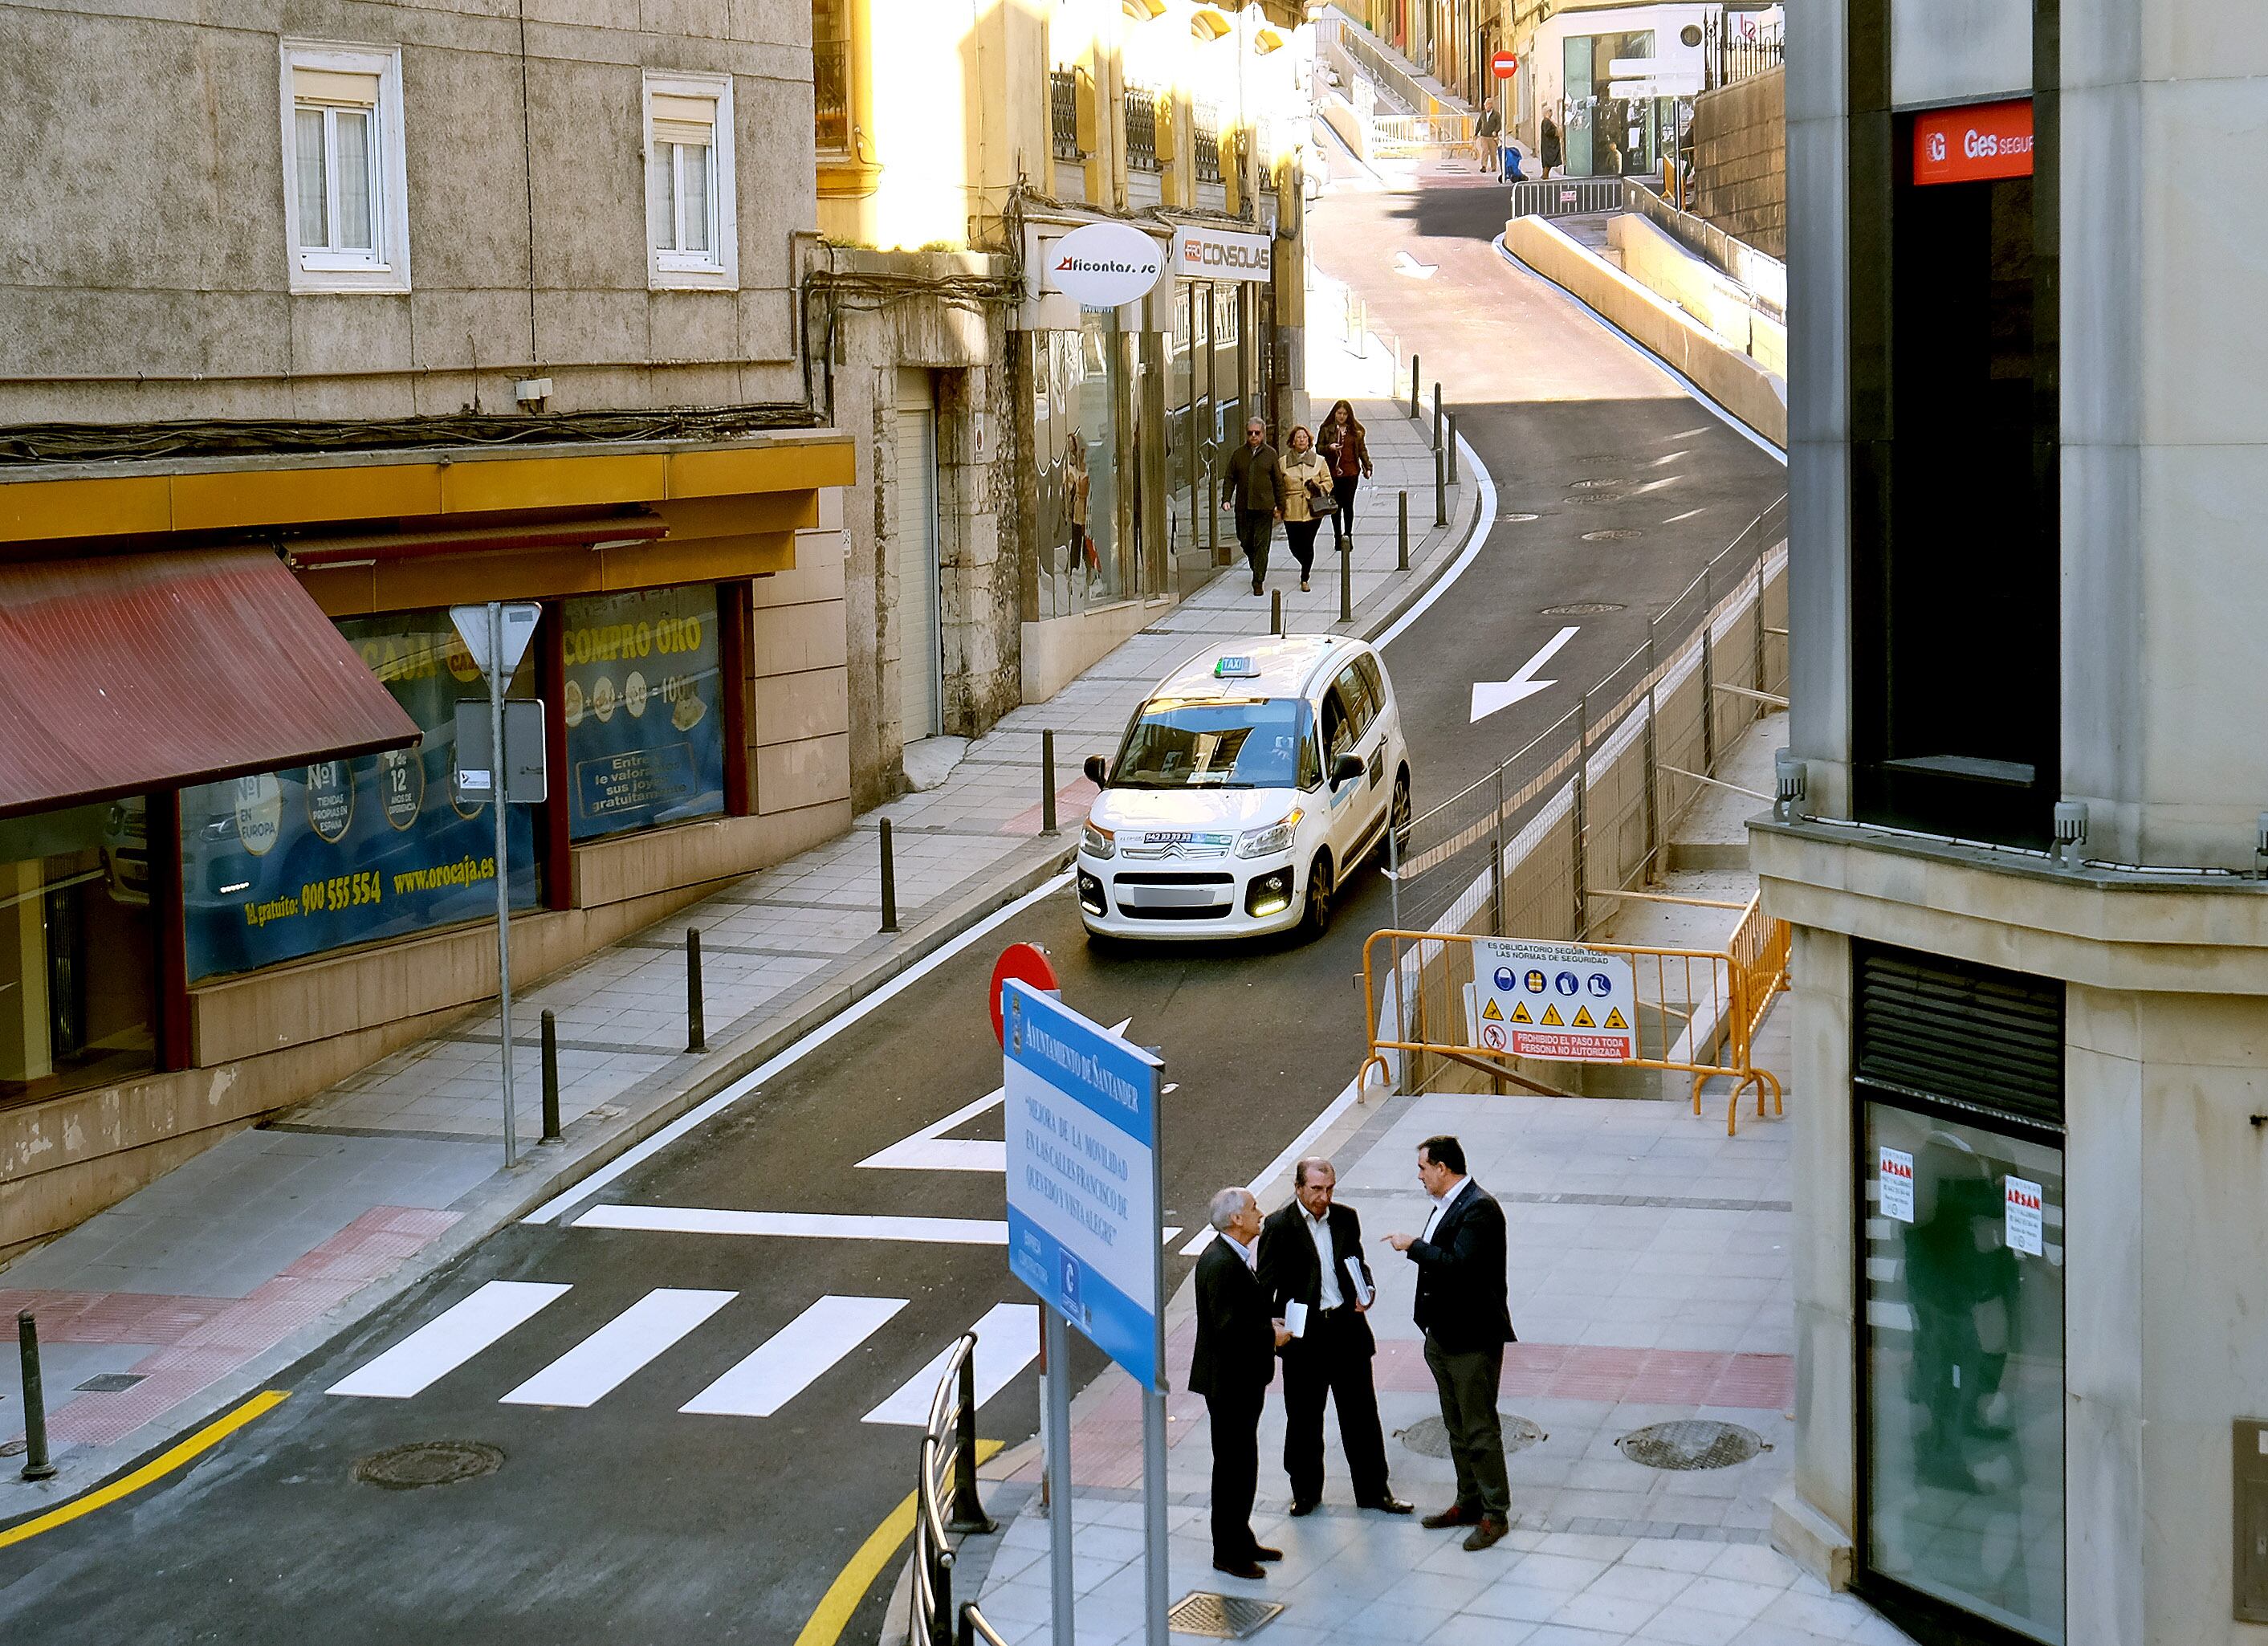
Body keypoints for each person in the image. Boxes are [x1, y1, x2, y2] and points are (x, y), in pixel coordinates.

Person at [1258, 1157, 1412, 1518]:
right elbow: (1265, 1284)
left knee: (1361, 1417)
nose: (1323, 1198)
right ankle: (1306, 1492)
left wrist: (1367, 1288)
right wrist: (1271, 1326)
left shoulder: (1345, 1218)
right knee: (1304, 1420)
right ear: (1298, 1188)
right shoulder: (1279, 1226)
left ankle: (1375, 1491)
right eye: (1315, 1190)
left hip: (1346, 1330)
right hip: (1304, 1337)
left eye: (1329, 1189)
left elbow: (1357, 1262)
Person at [1384, 1135, 1516, 1551]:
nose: (1419, 1176)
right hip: (1443, 1335)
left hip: (1472, 1338)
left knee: (1478, 1427)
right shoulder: (1448, 1205)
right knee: (1455, 1426)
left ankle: (1495, 1512)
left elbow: (1461, 1267)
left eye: (1423, 1168)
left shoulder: (1479, 1209)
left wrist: (1414, 1247)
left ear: (1443, 1168)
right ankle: (1469, 1500)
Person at [1190, 1186, 1293, 1579]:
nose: (1260, 1213)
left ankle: (1241, 1536)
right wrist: (1271, 1336)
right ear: (1236, 1219)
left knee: (1242, 1463)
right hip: (1229, 1383)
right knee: (1234, 1467)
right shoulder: (1220, 1263)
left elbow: (1238, 1316)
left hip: (1240, 1379)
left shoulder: (1234, 1257)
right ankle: (1228, 1551)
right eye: (1253, 1209)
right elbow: (1228, 1328)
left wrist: (1265, 1323)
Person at [1220, 418, 1284, 596]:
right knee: (1246, 541)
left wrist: (1280, 505)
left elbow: (1278, 482)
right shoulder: (1238, 454)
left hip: (1264, 507)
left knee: (1261, 544)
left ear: (1262, 434)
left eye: (1257, 433)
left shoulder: (1270, 454)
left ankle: (1258, 580)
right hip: (1243, 507)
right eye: (1250, 433)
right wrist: (1226, 499)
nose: (1254, 436)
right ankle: (1257, 565)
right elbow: (1230, 477)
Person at [1276, 427, 1333, 593]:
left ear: (1309, 441)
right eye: (1298, 437)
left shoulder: (1319, 461)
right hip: (1291, 508)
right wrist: (1278, 506)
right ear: (1292, 441)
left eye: (1304, 437)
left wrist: (1318, 486)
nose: (1301, 440)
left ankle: (1305, 576)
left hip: (1313, 508)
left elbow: (1329, 481)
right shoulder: (1283, 462)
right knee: (1294, 544)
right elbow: (1278, 485)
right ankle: (1304, 562)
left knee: (1308, 543)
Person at [1315, 400, 1372, 553]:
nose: (1342, 416)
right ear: (1334, 413)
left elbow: (1362, 450)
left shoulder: (1356, 431)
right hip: (1332, 474)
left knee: (1348, 505)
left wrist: (1368, 467)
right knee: (1335, 506)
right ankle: (1337, 537)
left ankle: (1348, 535)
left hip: (1351, 472)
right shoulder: (1326, 430)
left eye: (1345, 414)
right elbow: (1318, 449)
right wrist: (1329, 448)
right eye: (1339, 413)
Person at [1472, 103, 1502, 173]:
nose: (1486, 107)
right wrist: (1476, 134)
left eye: (1488, 105)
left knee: (1493, 153)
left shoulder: (1496, 114)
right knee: (1485, 151)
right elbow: (1479, 124)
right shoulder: (1483, 114)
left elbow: (1499, 124)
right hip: (1484, 136)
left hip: (1492, 137)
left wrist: (1496, 131)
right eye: (1485, 105)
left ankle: (1494, 166)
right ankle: (1484, 166)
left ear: (1491, 105)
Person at [1539, 113, 1563, 179]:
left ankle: (1545, 174)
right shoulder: (1546, 121)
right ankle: (1545, 175)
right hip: (1549, 145)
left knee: (1548, 161)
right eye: (1550, 111)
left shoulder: (1549, 120)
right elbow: (1547, 132)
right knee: (1549, 160)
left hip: (1550, 144)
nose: (1551, 112)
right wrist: (1556, 131)